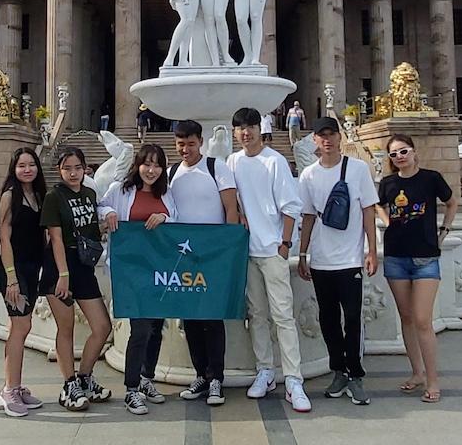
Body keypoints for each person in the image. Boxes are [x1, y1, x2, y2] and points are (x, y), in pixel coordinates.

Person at [227, 107, 311, 412]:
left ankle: (293, 379)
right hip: (248, 252)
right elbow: (232, 201)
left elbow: (291, 206)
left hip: (273, 249)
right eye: (240, 128)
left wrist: (286, 244)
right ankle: (265, 370)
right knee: (257, 314)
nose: (245, 133)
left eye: (250, 127)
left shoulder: (274, 161)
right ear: (234, 133)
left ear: (258, 130)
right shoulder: (232, 161)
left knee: (283, 316)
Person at [297, 118, 378, 405]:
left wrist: (371, 250)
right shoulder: (308, 174)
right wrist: (303, 253)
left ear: (340, 138)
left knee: (353, 318)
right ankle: (338, 370)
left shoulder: (357, 169)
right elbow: (307, 216)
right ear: (315, 141)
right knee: (328, 318)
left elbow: (368, 210)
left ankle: (356, 374)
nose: (327, 140)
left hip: (350, 258)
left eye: (332, 135)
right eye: (322, 136)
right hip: (321, 259)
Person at [99, 144, 178, 415]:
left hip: (158, 270)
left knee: (156, 326)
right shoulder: (121, 190)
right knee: (141, 328)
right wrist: (108, 213)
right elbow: (102, 205)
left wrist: (164, 216)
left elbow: (176, 218)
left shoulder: (165, 193)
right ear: (138, 165)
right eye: (147, 164)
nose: (152, 170)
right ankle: (131, 388)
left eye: (157, 165)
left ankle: (147, 378)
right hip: (131, 270)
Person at [378, 135, 456, 405]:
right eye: (394, 154)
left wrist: (444, 231)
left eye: (403, 151)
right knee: (407, 318)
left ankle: (433, 379)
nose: (399, 156)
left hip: (425, 257)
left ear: (413, 152)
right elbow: (377, 204)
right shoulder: (388, 183)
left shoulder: (430, 178)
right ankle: (417, 373)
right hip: (396, 256)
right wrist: (387, 220)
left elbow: (452, 202)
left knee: (423, 320)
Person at [168, 120, 239, 406]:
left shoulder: (216, 168)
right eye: (180, 144)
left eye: (191, 143)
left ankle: (216, 378)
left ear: (201, 141)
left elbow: (230, 209)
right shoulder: (172, 172)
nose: (186, 149)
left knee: (212, 317)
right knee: (191, 318)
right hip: (184, 256)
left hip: (212, 254)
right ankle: (201, 374)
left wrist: (228, 249)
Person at [41, 146, 113, 411]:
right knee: (66, 328)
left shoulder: (89, 194)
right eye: (67, 168)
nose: (73, 173)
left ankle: (85, 377)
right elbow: (56, 238)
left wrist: (108, 221)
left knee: (102, 326)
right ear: (59, 170)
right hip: (60, 266)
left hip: (83, 267)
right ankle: (68, 384)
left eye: (77, 168)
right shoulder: (54, 197)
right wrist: (63, 275)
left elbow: (92, 229)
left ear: (86, 169)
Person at [0, 147, 48, 417]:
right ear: (14, 169)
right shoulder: (9, 196)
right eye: (21, 165)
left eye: (31, 165)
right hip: (14, 272)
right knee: (20, 326)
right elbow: (4, 238)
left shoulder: (38, 195)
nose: (27, 170)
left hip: (32, 268)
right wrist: (11, 279)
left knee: (23, 328)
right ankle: (9, 390)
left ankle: (14, 384)